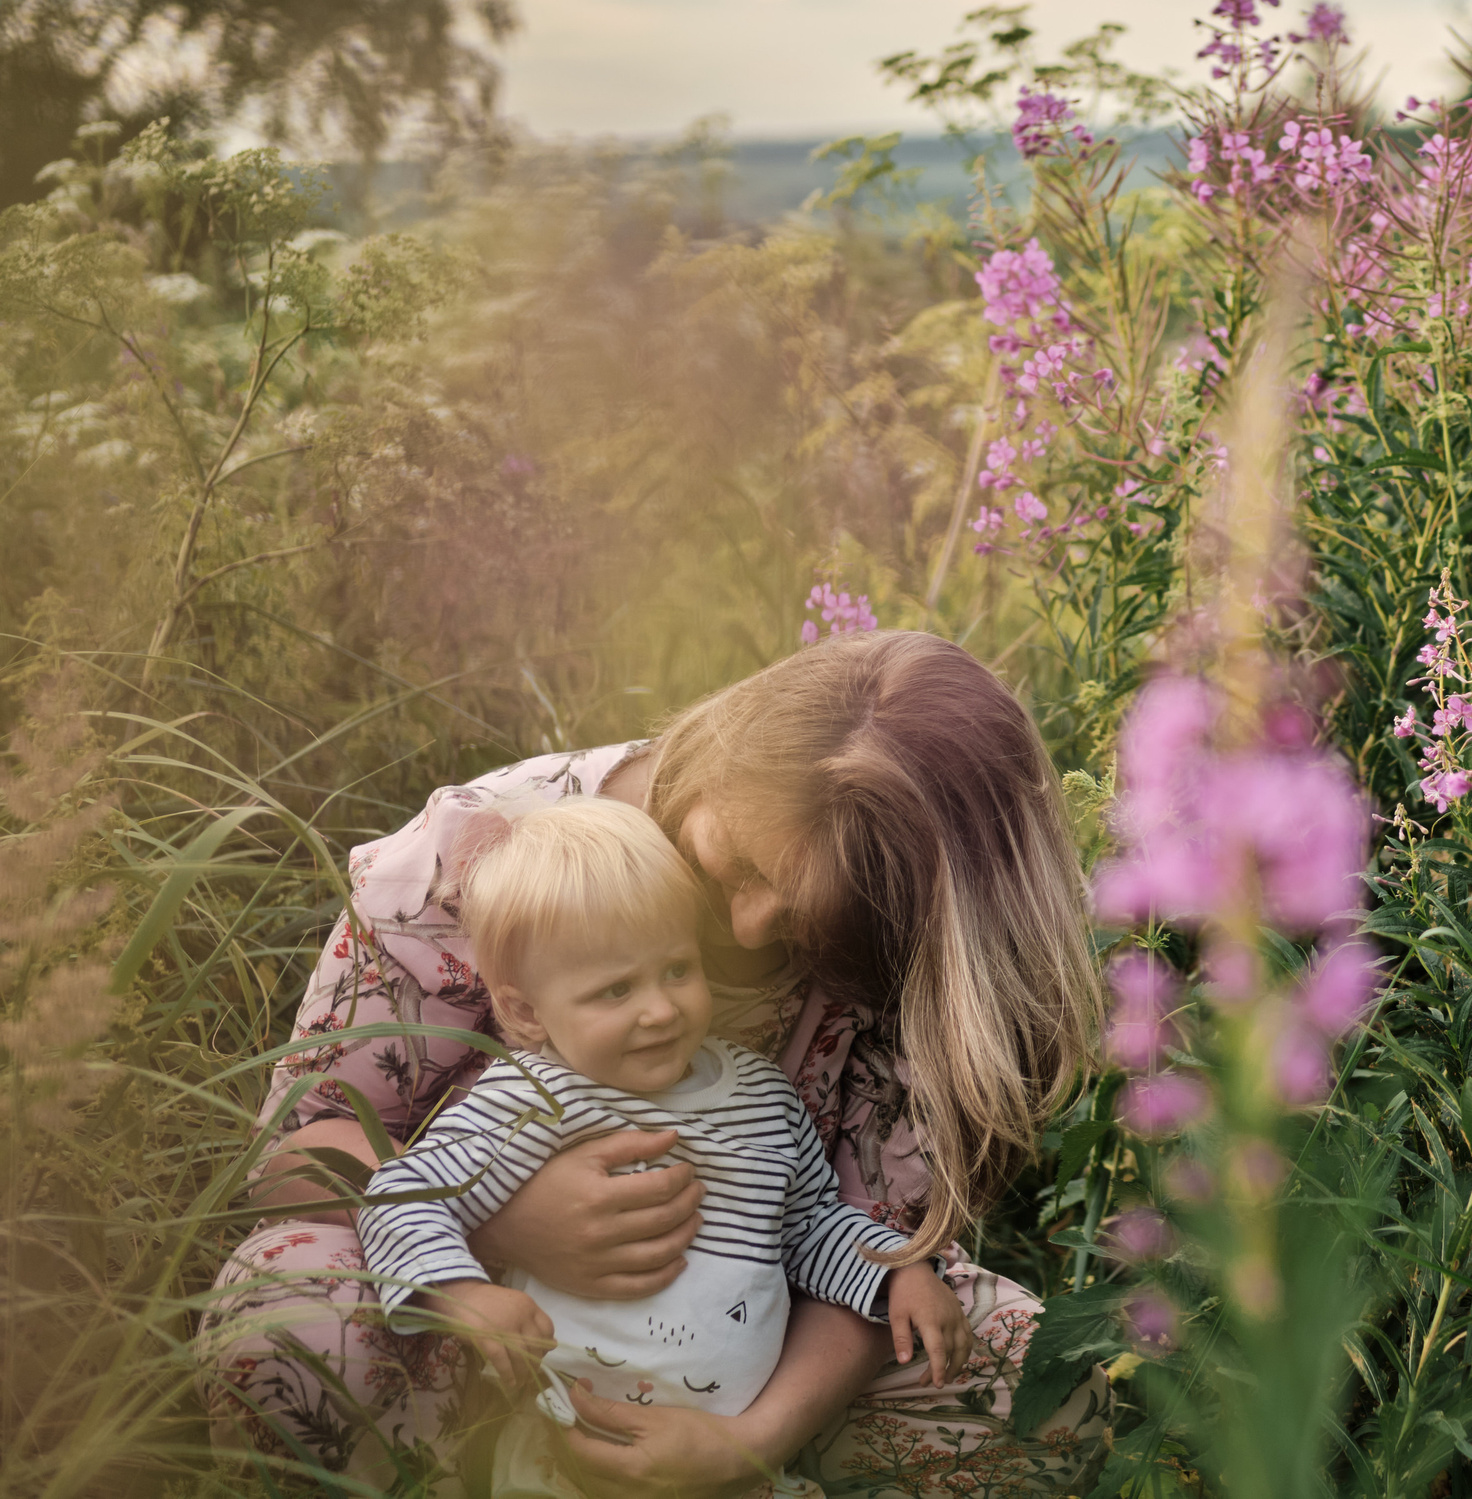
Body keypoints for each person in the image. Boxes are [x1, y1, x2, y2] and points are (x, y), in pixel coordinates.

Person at [199, 631, 1111, 1497]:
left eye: (809, 925)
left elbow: (850, 1229)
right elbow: (290, 1158)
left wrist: (745, 1446)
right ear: (726, 757)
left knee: (1043, 1388)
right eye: (744, 861)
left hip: (757, 1345)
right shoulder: (501, 863)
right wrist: (494, 1227)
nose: (749, 928)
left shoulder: (907, 959)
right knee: (292, 1327)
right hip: (488, 1329)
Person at [361, 797, 967, 1497]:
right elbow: (404, 1195)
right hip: (568, 1457)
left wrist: (898, 1274)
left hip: (735, 1462)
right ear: (527, 1010)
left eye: (677, 968)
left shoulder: (762, 1101)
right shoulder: (528, 1098)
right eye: (615, 988)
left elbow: (810, 1228)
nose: (659, 1007)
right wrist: (461, 1293)